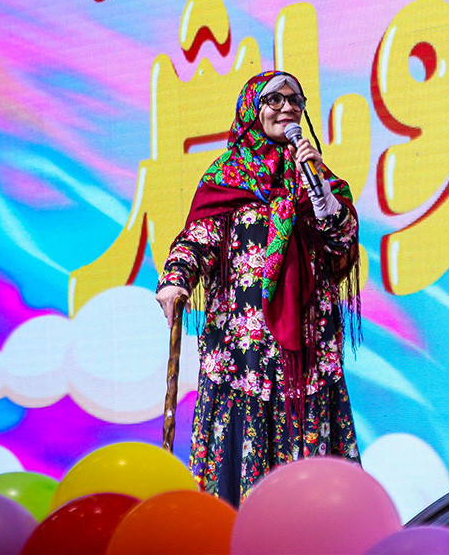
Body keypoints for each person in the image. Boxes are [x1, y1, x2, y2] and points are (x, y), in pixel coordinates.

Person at [154, 70, 360, 506]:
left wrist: (321, 194)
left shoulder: (316, 175)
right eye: (274, 100)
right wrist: (176, 278)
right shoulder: (227, 175)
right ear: (251, 109)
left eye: (295, 100)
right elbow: (198, 237)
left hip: (305, 352)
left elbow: (342, 243)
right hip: (243, 352)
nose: (287, 108)